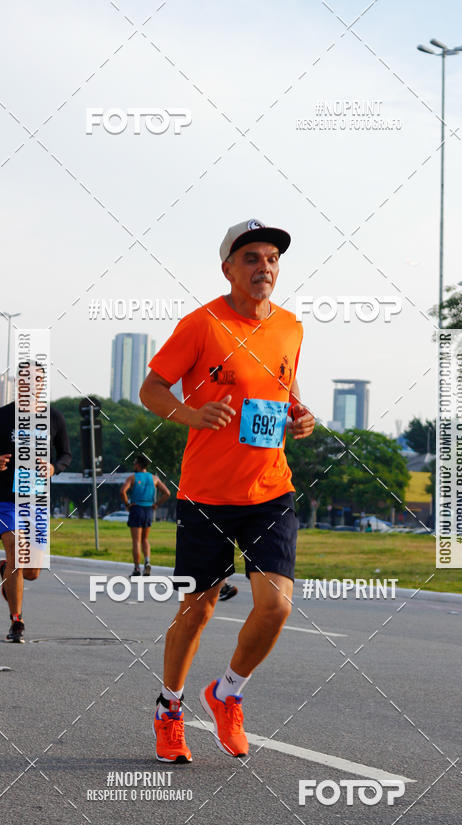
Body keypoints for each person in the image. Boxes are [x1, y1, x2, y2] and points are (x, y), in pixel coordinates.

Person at [140, 218, 315, 764]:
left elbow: (284, 391)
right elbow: (151, 388)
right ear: (228, 269)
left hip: (270, 490)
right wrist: (191, 413)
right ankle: (171, 708)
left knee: (277, 606)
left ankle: (228, 692)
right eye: (251, 259)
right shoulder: (202, 324)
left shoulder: (291, 327)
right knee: (198, 608)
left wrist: (299, 415)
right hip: (206, 495)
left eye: (271, 259)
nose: (264, 267)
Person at [0, 364, 71, 643]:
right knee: (16, 551)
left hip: (37, 500)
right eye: (25, 379)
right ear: (18, 383)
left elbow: (66, 454)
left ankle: (5, 571)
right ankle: (17, 621)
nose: (31, 384)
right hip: (7, 498)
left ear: (42, 384)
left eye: (37, 379)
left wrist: (53, 468)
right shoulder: (0, 417)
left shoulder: (53, 417)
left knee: (32, 572)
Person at [120, 455, 170, 576]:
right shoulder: (154, 478)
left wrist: (127, 504)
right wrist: (156, 504)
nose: (133, 465)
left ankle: (137, 569)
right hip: (148, 510)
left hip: (136, 509)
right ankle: (147, 562)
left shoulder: (133, 477)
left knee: (136, 541)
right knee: (145, 539)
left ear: (138, 464)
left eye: (134, 463)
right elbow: (167, 493)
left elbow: (123, 491)